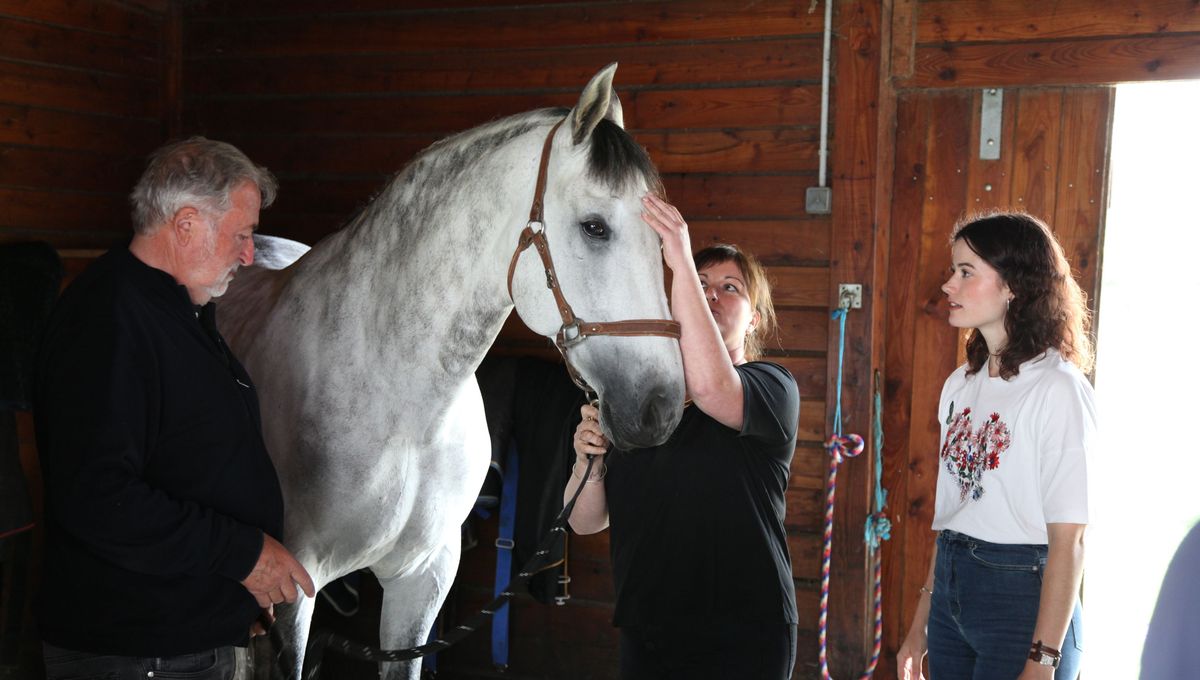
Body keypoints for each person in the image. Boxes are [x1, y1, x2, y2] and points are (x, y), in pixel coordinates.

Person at [33, 137, 315, 680]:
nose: (250, 254)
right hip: (142, 652)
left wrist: (228, 596)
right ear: (186, 224)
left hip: (183, 638)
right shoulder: (108, 321)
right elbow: (99, 498)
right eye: (242, 234)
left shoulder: (175, 311)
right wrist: (245, 558)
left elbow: (188, 465)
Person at [565, 194, 800, 679]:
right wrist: (585, 462)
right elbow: (585, 522)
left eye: (730, 287)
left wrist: (680, 256)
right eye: (700, 283)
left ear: (754, 319)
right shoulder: (633, 400)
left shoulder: (773, 387)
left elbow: (713, 387)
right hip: (649, 628)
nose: (711, 294)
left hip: (744, 631)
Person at [896, 212, 1096, 680]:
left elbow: (1072, 540)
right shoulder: (959, 384)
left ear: (1013, 286)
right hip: (951, 594)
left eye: (966, 272)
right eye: (953, 271)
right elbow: (953, 517)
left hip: (1022, 603)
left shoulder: (1058, 389)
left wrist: (1044, 660)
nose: (948, 285)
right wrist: (920, 625)